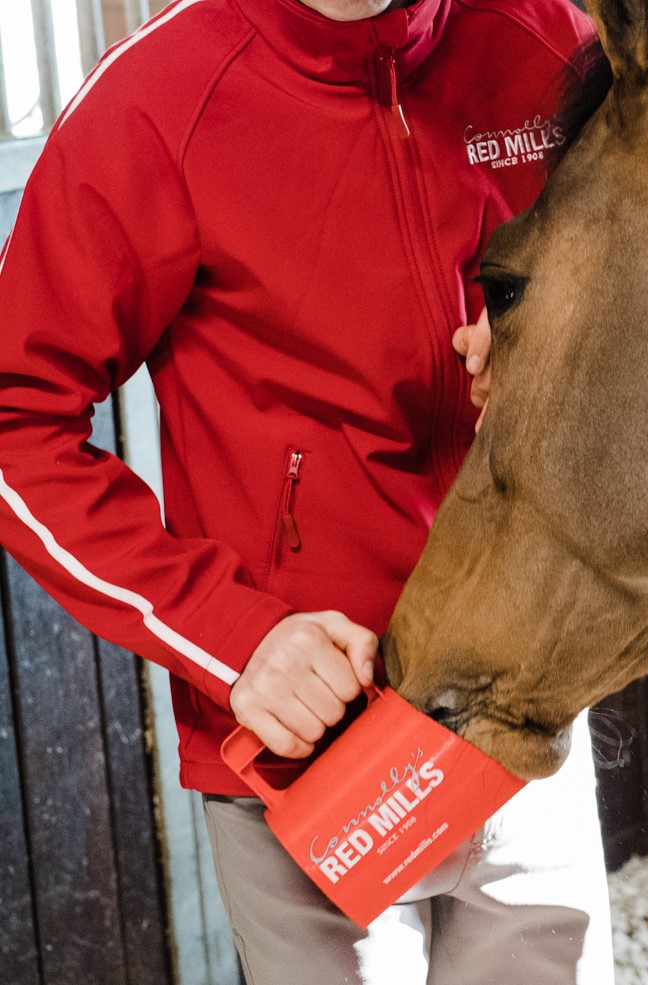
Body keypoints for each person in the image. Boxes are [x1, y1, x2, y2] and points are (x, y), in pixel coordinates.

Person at [0, 0, 614, 981]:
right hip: (311, 743)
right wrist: (230, 633)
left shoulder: (551, 43)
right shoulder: (155, 104)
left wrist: (558, 333)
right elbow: (13, 421)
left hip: (527, 699)